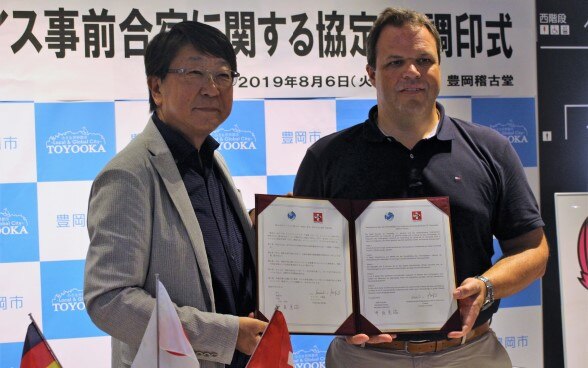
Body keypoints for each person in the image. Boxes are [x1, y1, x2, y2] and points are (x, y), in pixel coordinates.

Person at [293, 7, 549, 368]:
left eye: (424, 60)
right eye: (395, 62)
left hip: (470, 354)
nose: (412, 72)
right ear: (371, 73)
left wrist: (486, 286)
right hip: (363, 357)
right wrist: (331, 315)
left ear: (440, 69)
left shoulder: (491, 149)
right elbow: (304, 263)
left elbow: (534, 252)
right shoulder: (326, 158)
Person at [84, 21, 267, 368]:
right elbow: (108, 299)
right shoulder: (129, 174)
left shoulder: (213, 160)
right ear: (156, 87)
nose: (212, 89)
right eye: (194, 72)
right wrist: (226, 334)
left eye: (223, 75)